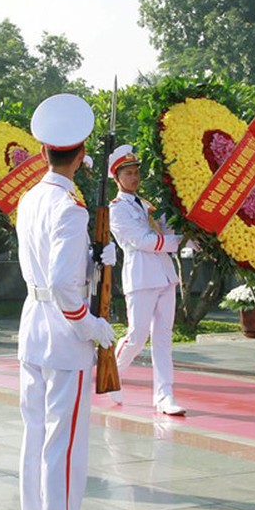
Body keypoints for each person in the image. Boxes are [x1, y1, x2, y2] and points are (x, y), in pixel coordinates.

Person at [16, 93, 117, 510]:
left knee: (35, 440)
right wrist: (92, 326)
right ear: (81, 155)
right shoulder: (72, 207)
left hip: (32, 329)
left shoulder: (31, 197)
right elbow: (62, 284)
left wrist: (96, 261)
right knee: (65, 444)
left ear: (43, 153)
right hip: (64, 335)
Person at [105, 145, 186, 415]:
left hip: (164, 275)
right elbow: (142, 241)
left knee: (163, 339)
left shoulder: (146, 204)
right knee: (137, 336)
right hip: (140, 277)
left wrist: (190, 234)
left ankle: (164, 396)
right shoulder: (116, 209)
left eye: (136, 172)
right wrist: (178, 241)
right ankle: (111, 375)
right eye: (128, 173)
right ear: (116, 178)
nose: (134, 178)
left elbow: (165, 229)